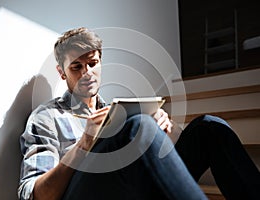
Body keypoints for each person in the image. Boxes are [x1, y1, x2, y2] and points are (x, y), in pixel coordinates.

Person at [18, 27, 260, 200]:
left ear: (101, 62)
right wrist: (83, 144)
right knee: (139, 126)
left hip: (133, 184)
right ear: (62, 73)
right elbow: (35, 194)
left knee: (209, 127)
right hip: (86, 192)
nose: (87, 72)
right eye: (77, 67)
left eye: (92, 63)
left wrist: (163, 130)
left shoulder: (116, 110)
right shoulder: (47, 117)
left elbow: (164, 156)